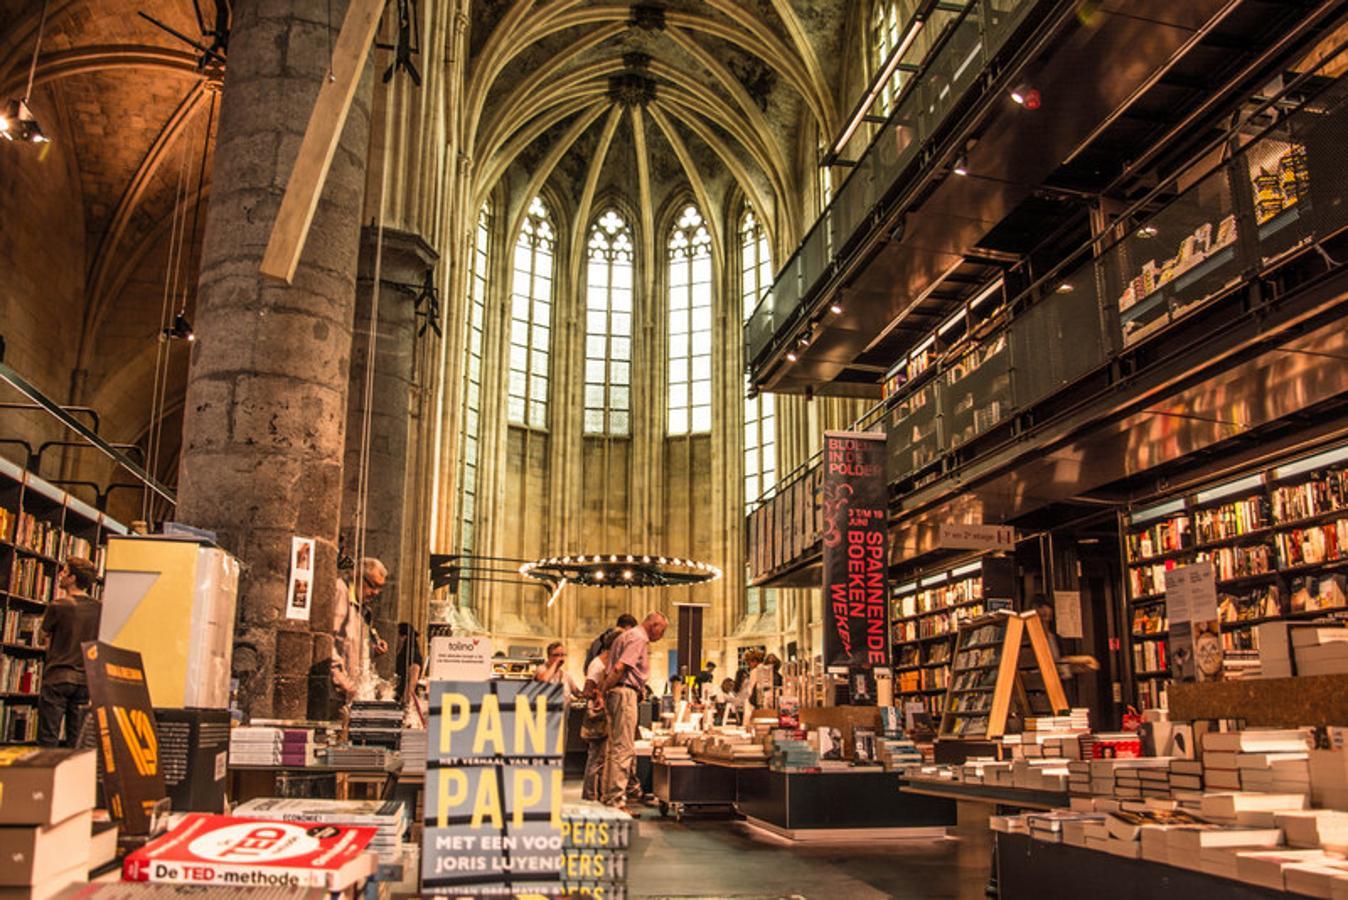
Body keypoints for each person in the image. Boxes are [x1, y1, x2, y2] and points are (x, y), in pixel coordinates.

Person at [600, 611, 668, 810]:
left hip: (618, 692)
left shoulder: (626, 636)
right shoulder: (638, 638)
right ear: (654, 625)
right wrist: (605, 690)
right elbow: (620, 667)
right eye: (662, 631)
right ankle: (616, 801)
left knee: (614, 749)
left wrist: (607, 690)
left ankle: (609, 797)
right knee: (624, 749)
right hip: (624, 693)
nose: (661, 636)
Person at [38, 558, 101, 747]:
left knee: (48, 735)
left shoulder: (58, 606)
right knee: (76, 738)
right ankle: (72, 775)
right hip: (84, 678)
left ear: (72, 578)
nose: (60, 575)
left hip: (58, 675)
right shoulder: (100, 608)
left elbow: (42, 636)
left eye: (64, 572)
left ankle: (45, 776)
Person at [331, 558, 390, 710]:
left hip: (354, 694)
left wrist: (372, 648)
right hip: (337, 693)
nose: (376, 593)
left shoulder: (363, 608)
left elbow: (351, 644)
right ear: (357, 576)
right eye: (372, 586)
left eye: (380, 588)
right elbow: (328, 642)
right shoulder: (340, 592)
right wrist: (343, 682)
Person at [580, 631, 617, 801]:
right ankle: (590, 796)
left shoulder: (607, 662)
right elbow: (587, 690)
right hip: (597, 716)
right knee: (596, 757)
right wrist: (599, 695)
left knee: (603, 758)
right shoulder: (597, 664)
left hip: (606, 715)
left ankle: (600, 794)